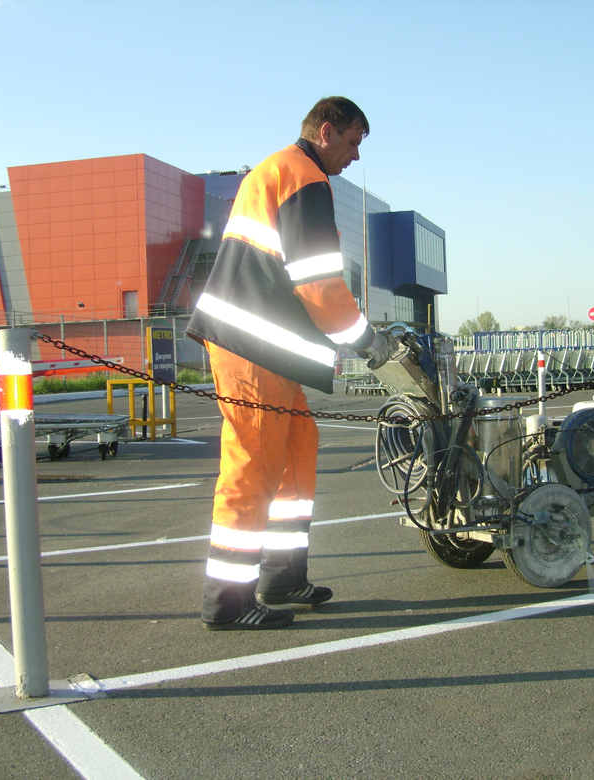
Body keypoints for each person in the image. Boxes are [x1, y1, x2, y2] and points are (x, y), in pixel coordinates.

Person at [186, 97, 395, 631]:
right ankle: (227, 601)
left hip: (264, 347)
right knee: (251, 468)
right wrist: (369, 343)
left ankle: (282, 575)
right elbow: (320, 284)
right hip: (252, 348)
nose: (353, 156)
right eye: (351, 143)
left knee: (297, 451)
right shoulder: (303, 177)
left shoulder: (281, 170)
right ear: (326, 131)